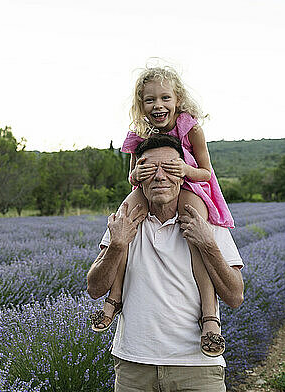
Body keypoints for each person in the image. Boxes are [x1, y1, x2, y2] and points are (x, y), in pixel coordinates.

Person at [90, 65, 234, 358]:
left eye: (165, 98)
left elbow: (206, 172)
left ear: (177, 99)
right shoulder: (139, 132)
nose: (158, 105)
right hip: (150, 189)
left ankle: (210, 315)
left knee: (198, 237)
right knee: (124, 227)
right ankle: (113, 299)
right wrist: (139, 173)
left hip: (190, 186)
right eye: (150, 100)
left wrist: (184, 169)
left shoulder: (190, 127)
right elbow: (132, 176)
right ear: (140, 104)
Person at [86, 134, 244, 392]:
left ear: (183, 175)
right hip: (134, 367)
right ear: (138, 177)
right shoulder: (126, 221)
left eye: (170, 167)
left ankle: (210, 321)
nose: (160, 176)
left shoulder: (207, 223)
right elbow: (94, 287)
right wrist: (117, 245)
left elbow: (235, 296)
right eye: (150, 169)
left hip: (196, 368)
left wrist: (208, 246)